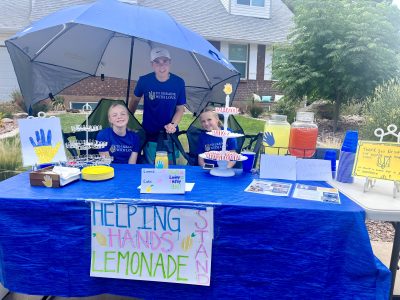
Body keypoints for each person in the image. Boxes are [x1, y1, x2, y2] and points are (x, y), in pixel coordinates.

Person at [128, 47, 186, 163]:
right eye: (157, 62)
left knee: (170, 167)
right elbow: (134, 101)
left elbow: (180, 109)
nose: (162, 66)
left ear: (170, 63)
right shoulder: (144, 81)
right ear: (152, 64)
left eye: (165, 61)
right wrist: (129, 120)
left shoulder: (179, 82)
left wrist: (173, 124)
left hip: (169, 134)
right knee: (152, 168)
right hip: (149, 133)